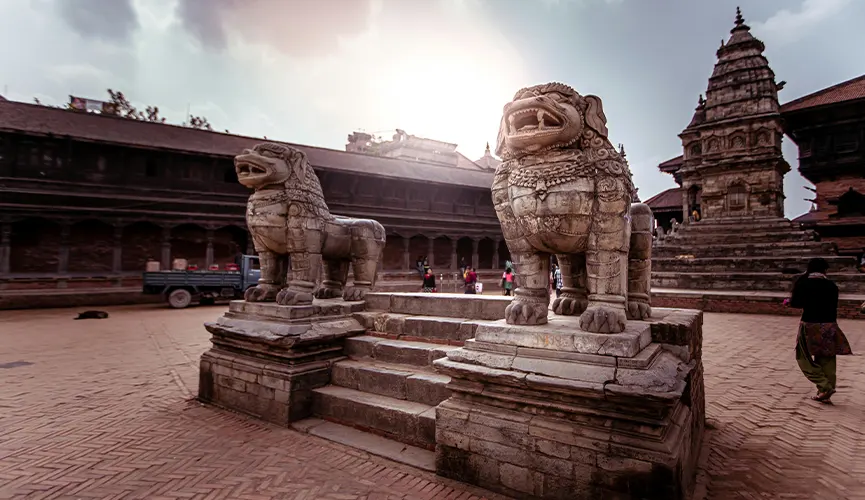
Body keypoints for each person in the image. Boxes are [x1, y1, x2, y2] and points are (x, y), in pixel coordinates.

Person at [787, 257, 853, 404]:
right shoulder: (831, 286)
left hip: (810, 324)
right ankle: (825, 391)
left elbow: (796, 303)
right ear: (824, 270)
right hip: (829, 325)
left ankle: (824, 385)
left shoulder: (803, 283)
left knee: (803, 357)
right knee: (827, 359)